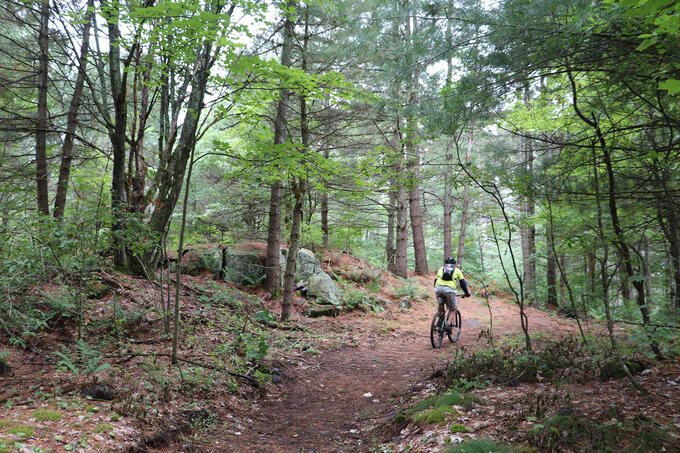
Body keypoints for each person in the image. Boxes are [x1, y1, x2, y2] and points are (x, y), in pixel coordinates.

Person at [434, 257, 471, 327]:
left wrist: (437, 290)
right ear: (454, 264)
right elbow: (462, 282)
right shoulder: (457, 270)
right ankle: (447, 325)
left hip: (438, 288)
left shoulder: (441, 269)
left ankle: (440, 319)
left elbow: (435, 281)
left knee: (441, 304)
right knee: (453, 309)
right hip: (449, 290)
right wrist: (466, 293)